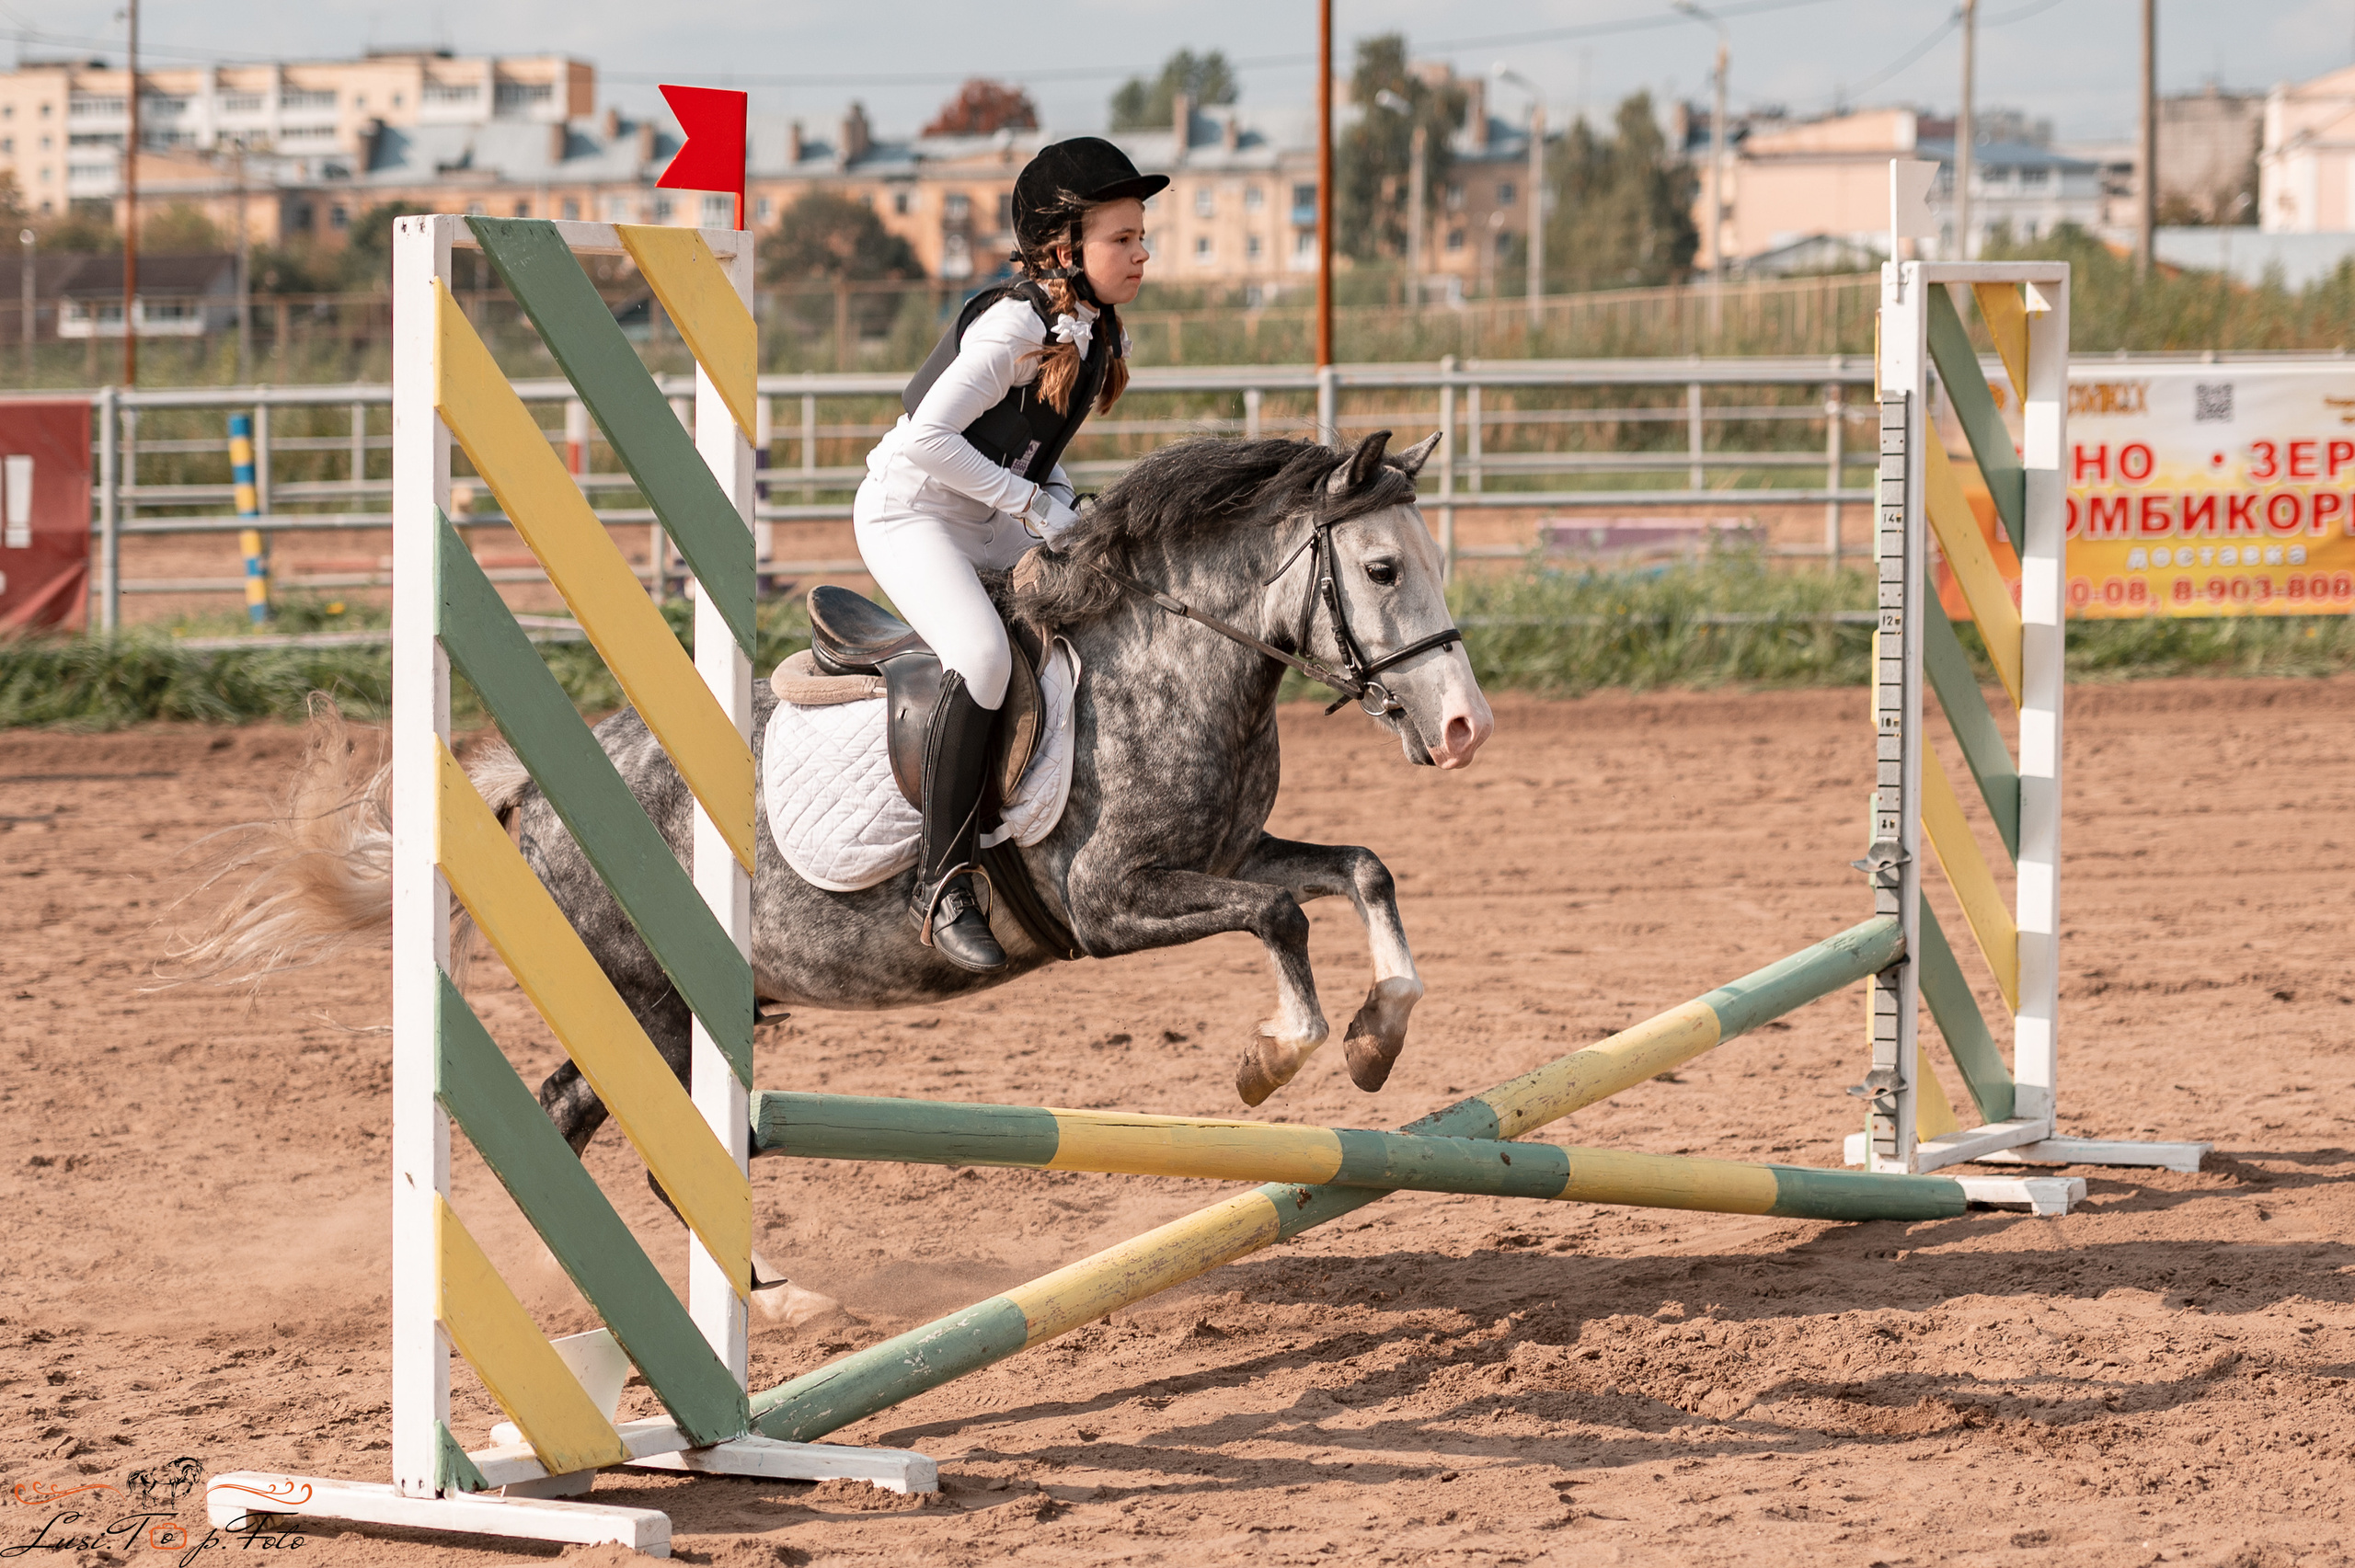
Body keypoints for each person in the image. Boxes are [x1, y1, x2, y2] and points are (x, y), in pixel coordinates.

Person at [852, 137, 1162, 975]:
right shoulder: (1015, 326)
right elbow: (925, 439)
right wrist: (1032, 506)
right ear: (1063, 251)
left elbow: (1030, 445)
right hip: (912, 512)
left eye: (1141, 236)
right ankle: (941, 879)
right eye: (1122, 239)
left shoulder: (1094, 330)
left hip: (987, 511)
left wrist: (1062, 500)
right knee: (984, 656)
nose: (1141, 253)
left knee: (1107, 592)